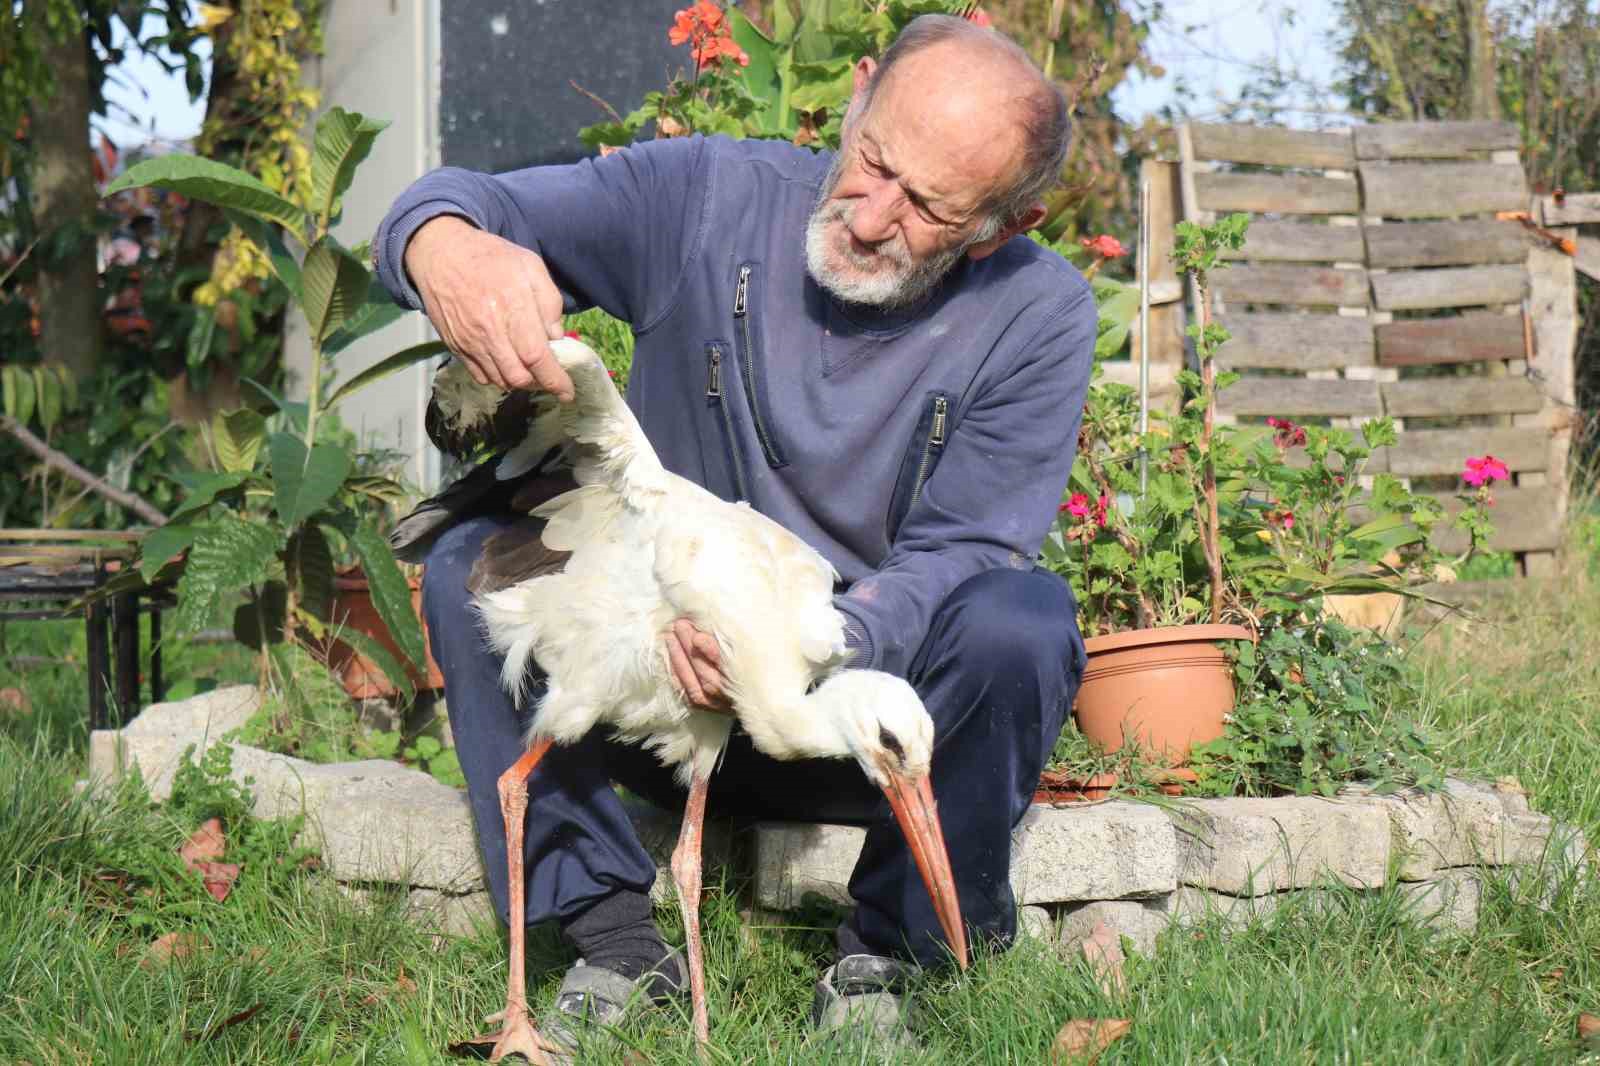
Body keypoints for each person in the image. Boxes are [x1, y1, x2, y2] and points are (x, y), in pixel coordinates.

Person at [373, 12, 1093, 1052]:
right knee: (466, 565)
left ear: (1001, 226)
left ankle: (890, 959)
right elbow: (466, 204)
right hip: (648, 700)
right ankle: (612, 942)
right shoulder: (706, 198)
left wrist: (783, 647)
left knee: (1019, 621)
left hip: (844, 724)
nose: (871, 216)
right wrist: (443, 246)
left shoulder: (1039, 314)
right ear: (856, 95)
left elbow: (966, 551)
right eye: (874, 160)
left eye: (929, 207)